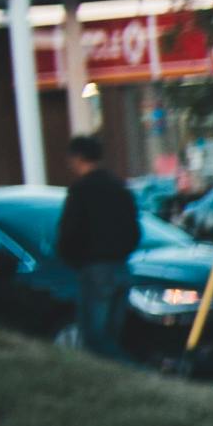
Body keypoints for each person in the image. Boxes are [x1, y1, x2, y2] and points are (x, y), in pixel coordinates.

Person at [50, 141, 140, 354]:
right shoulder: (119, 188)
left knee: (95, 337)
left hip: (94, 269)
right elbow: (134, 230)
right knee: (111, 335)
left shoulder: (81, 191)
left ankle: (132, 373)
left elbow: (70, 231)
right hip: (121, 267)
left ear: (78, 158)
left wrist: (72, 258)